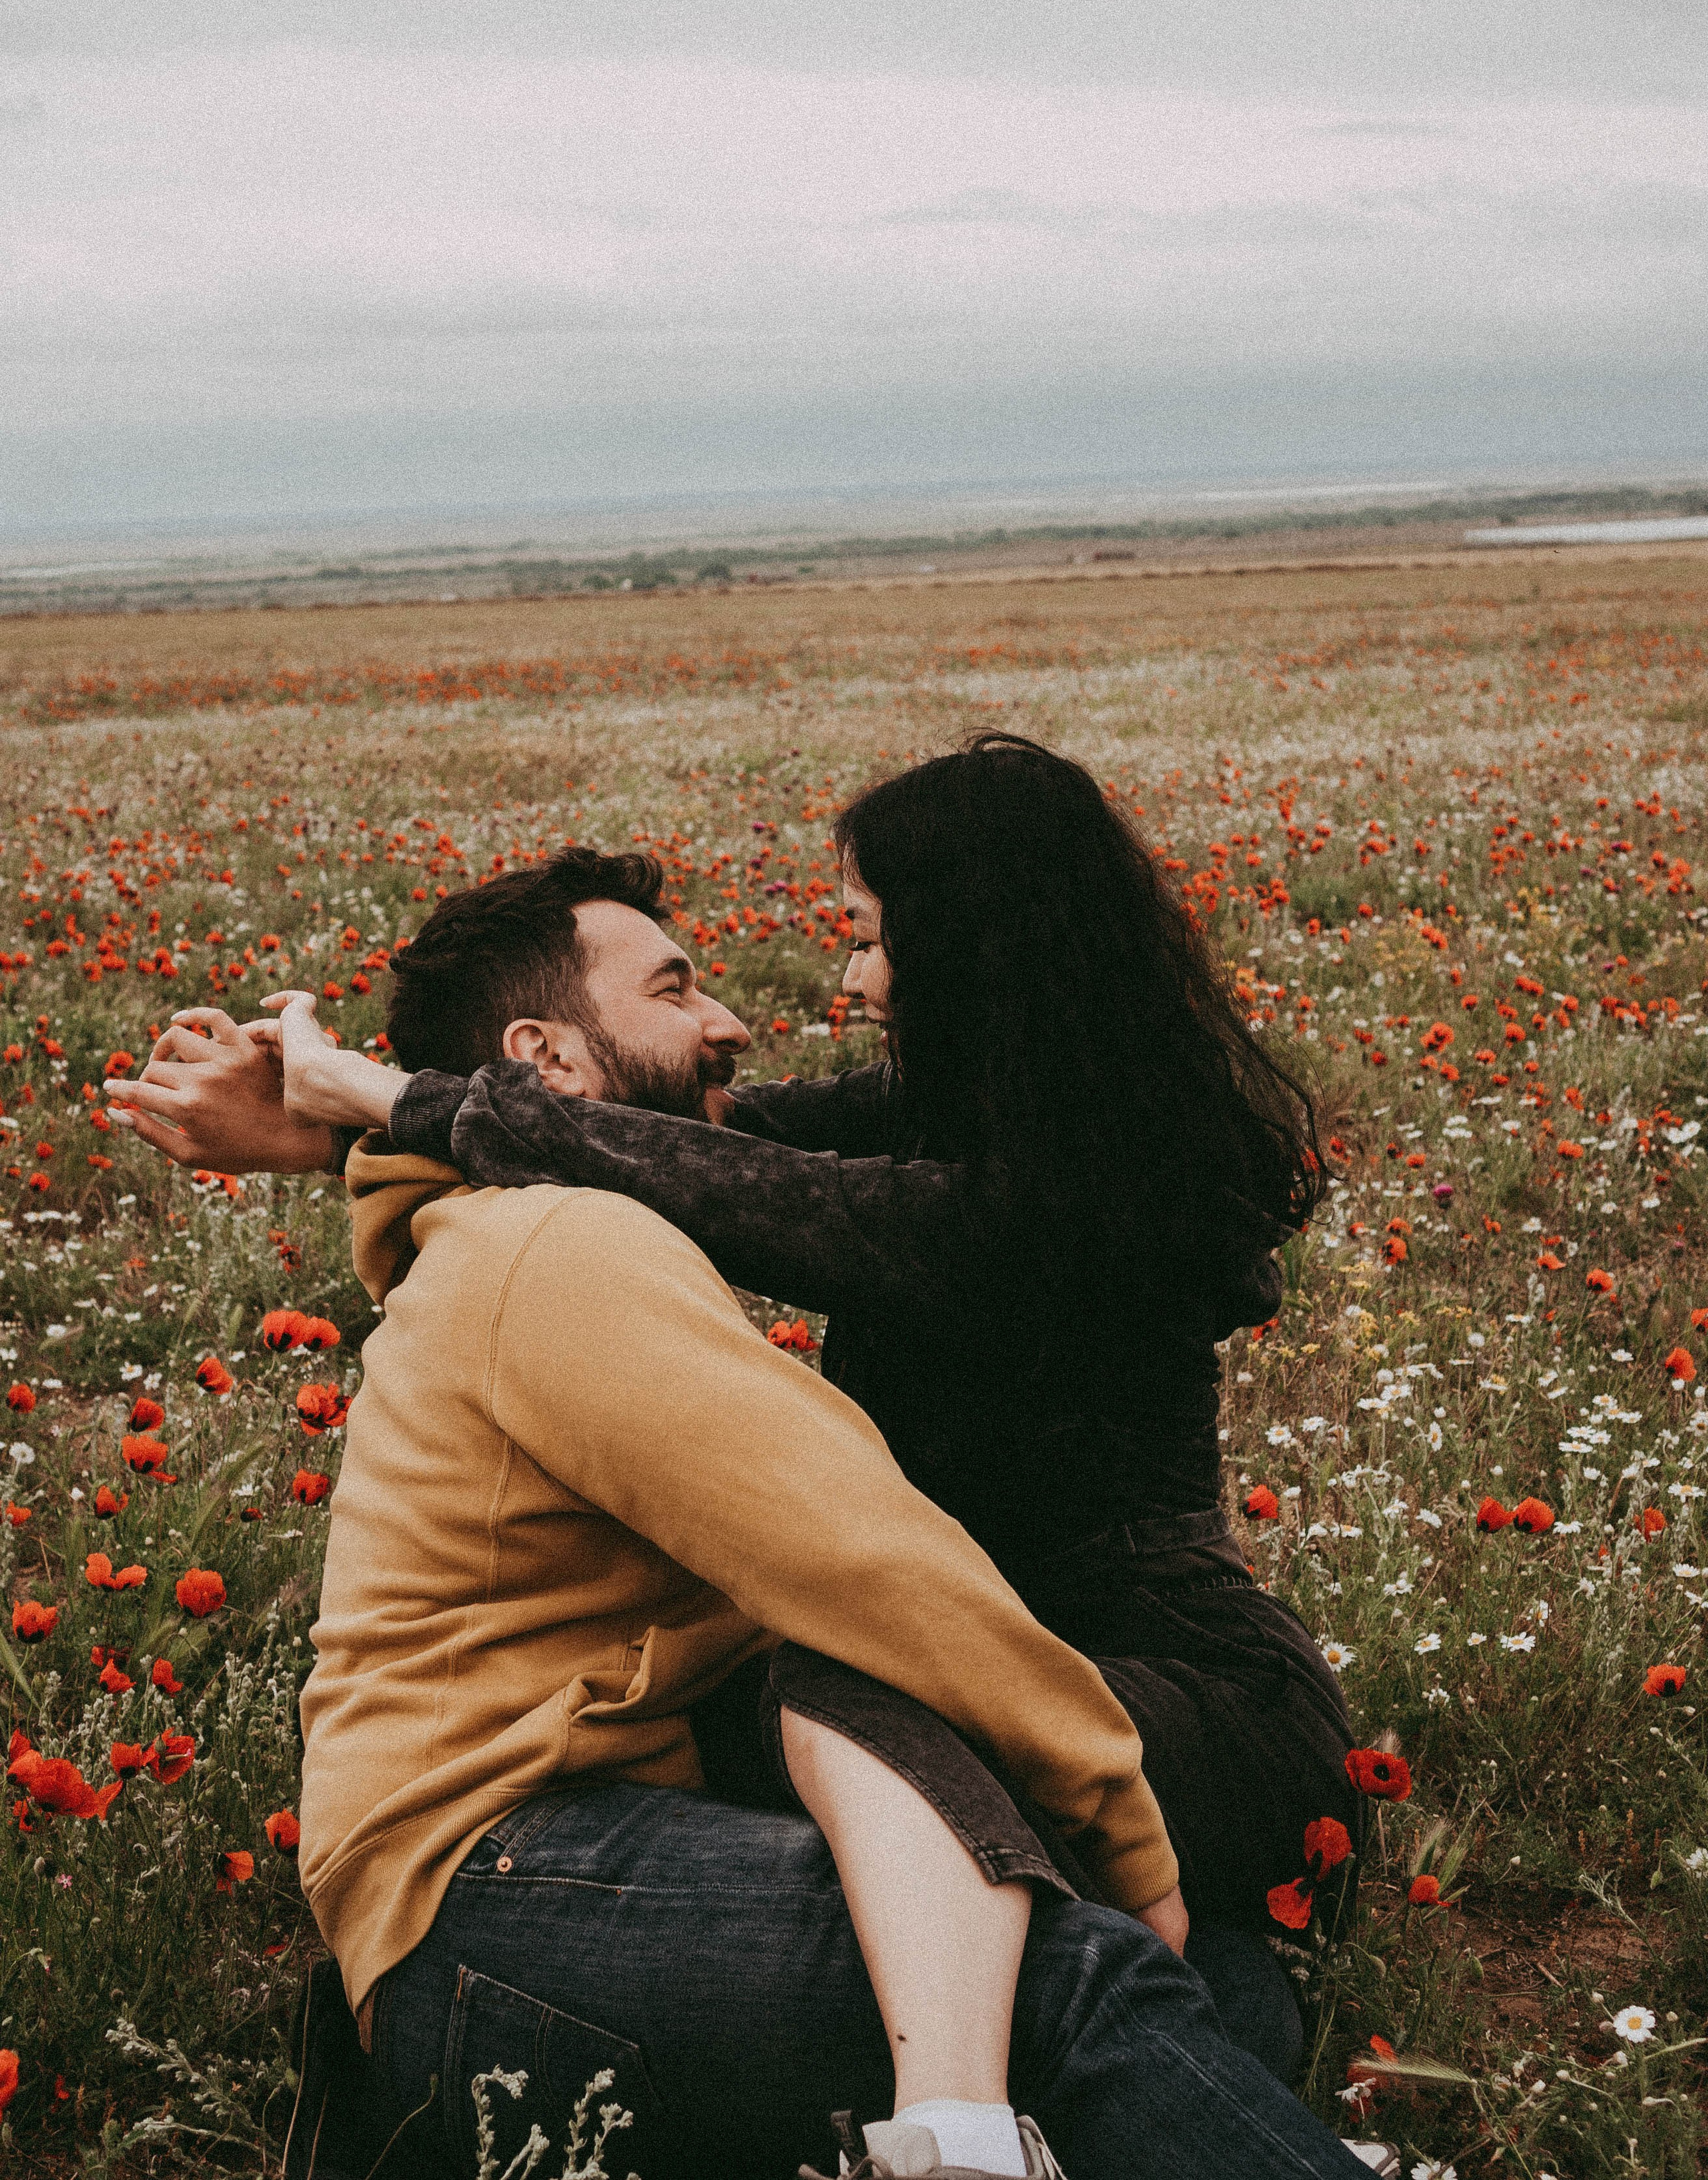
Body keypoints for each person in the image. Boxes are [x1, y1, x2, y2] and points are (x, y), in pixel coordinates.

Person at [110, 851, 1371, 2180]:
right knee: (1064, 1975)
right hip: (493, 1891)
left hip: (559, 1872)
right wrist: (1123, 1831)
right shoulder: (558, 1248)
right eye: (675, 988)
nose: (729, 1021)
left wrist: (355, 1120)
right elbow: (866, 1560)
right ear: (546, 1058)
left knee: (1216, 1985)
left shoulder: (538, 1226)